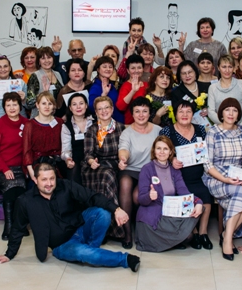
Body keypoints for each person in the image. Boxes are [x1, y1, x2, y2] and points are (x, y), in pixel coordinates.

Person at [0, 159, 140, 272]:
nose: (49, 183)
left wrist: (116, 209)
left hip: (80, 227)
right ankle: (125, 259)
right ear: (35, 180)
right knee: (83, 253)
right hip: (62, 245)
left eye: (52, 178)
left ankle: (92, 249)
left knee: (103, 213)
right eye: (44, 179)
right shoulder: (25, 201)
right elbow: (17, 228)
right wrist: (9, 254)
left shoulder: (65, 185)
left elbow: (92, 196)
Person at [203, 98, 242, 260]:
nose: (231, 113)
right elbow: (207, 164)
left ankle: (227, 235)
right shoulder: (213, 132)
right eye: (227, 110)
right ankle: (227, 239)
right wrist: (225, 179)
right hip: (216, 177)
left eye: (235, 110)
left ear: (238, 114)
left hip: (238, 175)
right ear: (221, 114)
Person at [135, 136, 204, 252]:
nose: (162, 152)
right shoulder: (146, 169)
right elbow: (141, 199)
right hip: (152, 218)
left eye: (165, 149)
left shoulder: (175, 171)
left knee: (189, 236)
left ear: (171, 152)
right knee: (184, 237)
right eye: (158, 148)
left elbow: (184, 192)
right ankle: (168, 242)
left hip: (169, 212)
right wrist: (149, 196)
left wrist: (198, 202)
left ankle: (170, 242)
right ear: (154, 151)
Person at [161, 100, 212, 249]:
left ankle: (203, 232)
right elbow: (161, 151)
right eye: (181, 111)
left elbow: (206, 151)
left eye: (188, 111)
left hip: (198, 175)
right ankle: (193, 231)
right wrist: (172, 159)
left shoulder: (201, 129)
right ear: (175, 114)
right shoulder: (167, 131)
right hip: (178, 176)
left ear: (192, 114)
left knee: (205, 195)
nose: (184, 115)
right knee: (187, 197)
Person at [82, 96, 126, 241]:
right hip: (96, 165)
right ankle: (111, 227)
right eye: (100, 109)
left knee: (110, 175)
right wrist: (91, 161)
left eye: (106, 107)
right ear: (95, 112)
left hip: (116, 163)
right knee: (107, 175)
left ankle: (110, 227)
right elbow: (88, 153)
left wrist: (123, 160)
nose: (104, 111)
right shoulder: (92, 129)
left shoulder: (121, 128)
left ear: (112, 109)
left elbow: (125, 149)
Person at [118, 97, 159, 248]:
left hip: (150, 171)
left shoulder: (158, 131)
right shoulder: (127, 132)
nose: (141, 115)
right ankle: (127, 232)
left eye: (144, 111)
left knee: (137, 196)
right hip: (131, 169)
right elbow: (123, 148)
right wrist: (123, 158)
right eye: (137, 111)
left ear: (149, 113)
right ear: (132, 114)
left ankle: (141, 226)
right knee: (125, 183)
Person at [0, 93, 29, 240]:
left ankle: (20, 225)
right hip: (1, 166)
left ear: (20, 106)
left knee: (21, 191)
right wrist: (5, 169)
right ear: (4, 107)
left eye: (15, 104)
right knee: (11, 188)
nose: (12, 108)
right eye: (8, 105)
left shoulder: (27, 123)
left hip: (20, 168)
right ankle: (9, 227)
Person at [23, 92, 63, 182]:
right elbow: (27, 151)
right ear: (37, 105)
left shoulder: (59, 122)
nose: (47, 107)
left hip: (57, 162)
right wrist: (31, 172)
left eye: (50, 104)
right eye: (43, 103)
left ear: (54, 106)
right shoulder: (30, 125)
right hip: (37, 163)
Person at [207, 55, 242, 128]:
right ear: (218, 68)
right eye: (224, 67)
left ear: (234, 68)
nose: (227, 70)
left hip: (240, 128)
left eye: (230, 67)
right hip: (221, 129)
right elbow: (211, 112)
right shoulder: (212, 88)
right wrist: (226, 126)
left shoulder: (241, 84)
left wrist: (241, 127)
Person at [60, 92, 93, 183]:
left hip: (94, 156)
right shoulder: (66, 126)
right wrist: (68, 159)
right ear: (70, 108)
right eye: (74, 104)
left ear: (86, 105)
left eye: (81, 103)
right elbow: (66, 149)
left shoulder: (94, 121)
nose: (78, 107)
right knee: (73, 172)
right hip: (75, 158)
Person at [171, 60, 210, 126]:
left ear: (195, 72)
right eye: (184, 73)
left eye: (190, 72)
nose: (187, 75)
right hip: (187, 126)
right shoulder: (176, 93)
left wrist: (209, 111)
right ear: (180, 76)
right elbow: (176, 114)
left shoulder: (207, 87)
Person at [25, 47, 63, 113]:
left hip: (58, 115)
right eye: (43, 58)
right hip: (41, 116)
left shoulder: (58, 74)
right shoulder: (35, 76)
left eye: (49, 57)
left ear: (53, 59)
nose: (46, 61)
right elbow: (29, 103)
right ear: (39, 61)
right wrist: (43, 93)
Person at [88, 55, 122, 123]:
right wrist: (104, 95)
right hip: (106, 124)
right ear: (98, 69)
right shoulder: (95, 87)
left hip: (118, 123)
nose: (108, 69)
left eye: (110, 67)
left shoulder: (112, 85)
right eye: (104, 67)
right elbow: (91, 108)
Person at [116, 55, 148, 125]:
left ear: (143, 69)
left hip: (145, 124)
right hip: (130, 125)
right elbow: (120, 107)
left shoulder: (147, 85)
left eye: (139, 68)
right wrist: (133, 91)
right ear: (128, 71)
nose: (136, 71)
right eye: (133, 68)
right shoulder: (125, 86)